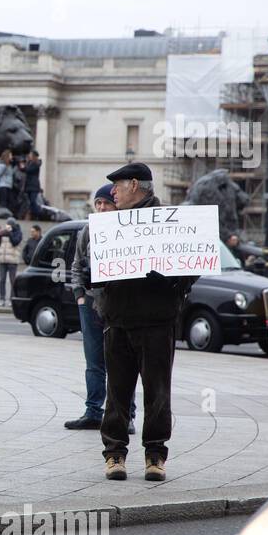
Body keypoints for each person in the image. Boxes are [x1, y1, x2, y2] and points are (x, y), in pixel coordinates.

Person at [87, 162, 197, 482]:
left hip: (157, 321)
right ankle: (115, 455)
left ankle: (155, 455)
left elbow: (192, 264)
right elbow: (92, 268)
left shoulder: (168, 220)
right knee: (117, 392)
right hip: (118, 320)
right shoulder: (112, 223)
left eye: (118, 187)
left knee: (158, 393)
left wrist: (173, 281)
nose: (113, 193)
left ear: (135, 185)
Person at [65, 184, 135, 433]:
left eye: (106, 203)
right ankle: (93, 411)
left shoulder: (128, 230)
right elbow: (75, 264)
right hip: (90, 303)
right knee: (94, 362)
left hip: (118, 305)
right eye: (98, 204)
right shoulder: (87, 231)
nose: (102, 207)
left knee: (123, 361)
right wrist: (79, 296)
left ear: (116, 205)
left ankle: (127, 415)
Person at [0, 216, 22, 306]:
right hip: (2, 260)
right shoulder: (4, 233)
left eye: (10, 224)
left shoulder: (18, 232)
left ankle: (11, 299)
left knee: (12, 280)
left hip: (12, 260)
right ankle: (2, 299)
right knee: (2, 280)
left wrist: (9, 234)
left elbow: (15, 242)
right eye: (7, 224)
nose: (8, 226)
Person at [24, 150, 44, 219]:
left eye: (30, 155)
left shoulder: (36, 164)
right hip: (29, 186)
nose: (29, 156)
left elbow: (28, 170)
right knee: (30, 202)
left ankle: (40, 214)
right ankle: (34, 215)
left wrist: (23, 167)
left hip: (34, 186)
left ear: (34, 156)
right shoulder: (30, 163)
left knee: (33, 201)